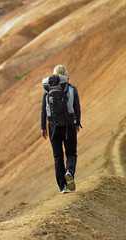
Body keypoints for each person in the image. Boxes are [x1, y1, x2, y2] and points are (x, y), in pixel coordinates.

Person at [41, 65, 81, 194]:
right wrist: (77, 123)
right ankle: (69, 172)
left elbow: (43, 111)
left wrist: (43, 127)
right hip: (69, 125)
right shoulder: (72, 89)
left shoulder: (46, 90)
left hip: (53, 127)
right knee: (71, 153)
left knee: (58, 157)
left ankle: (62, 187)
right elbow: (77, 108)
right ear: (65, 75)